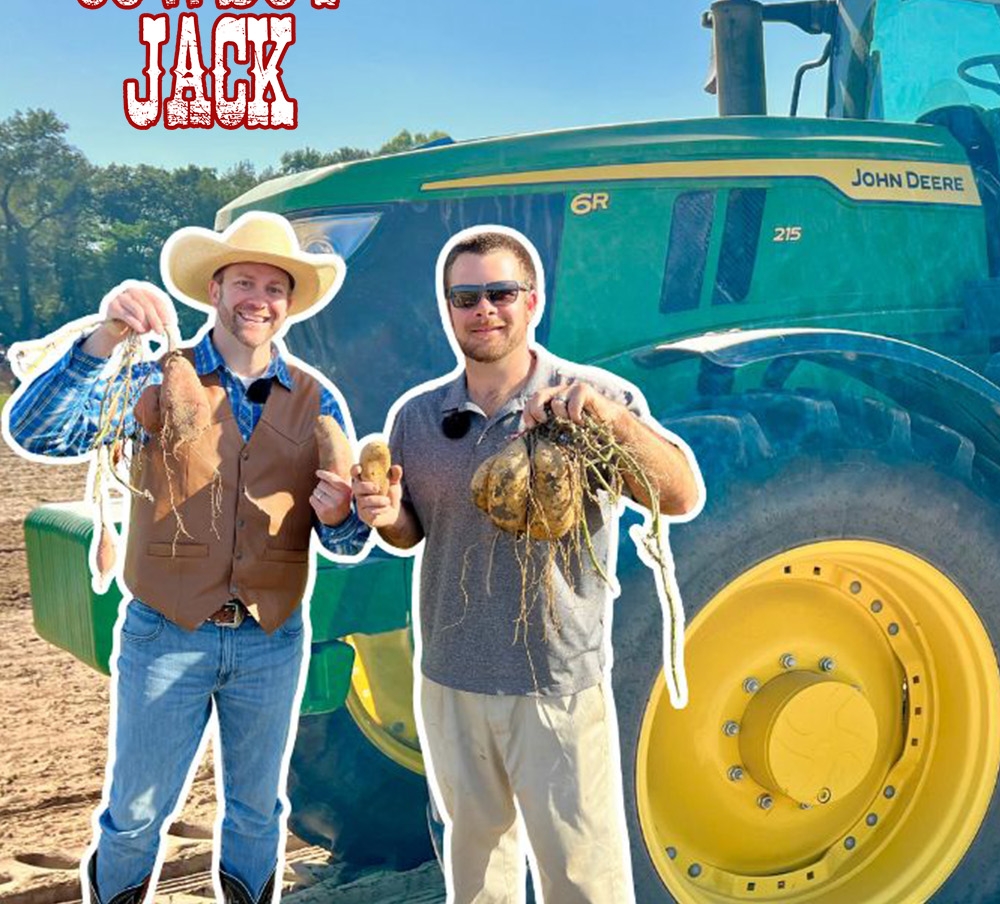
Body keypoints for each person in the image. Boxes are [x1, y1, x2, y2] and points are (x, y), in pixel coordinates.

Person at [4, 212, 369, 904]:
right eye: (242, 282)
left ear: (288, 303)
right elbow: (38, 430)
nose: (257, 298)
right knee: (137, 815)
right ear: (215, 291)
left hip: (270, 639)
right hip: (166, 634)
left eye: (273, 286)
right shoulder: (149, 378)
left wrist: (341, 517)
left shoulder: (321, 402)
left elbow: (346, 544)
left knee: (259, 813)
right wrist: (105, 333)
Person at [352, 227, 702, 904]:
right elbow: (412, 535)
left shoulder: (591, 397)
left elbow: (681, 494)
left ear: (532, 301)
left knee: (581, 877)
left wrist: (617, 426)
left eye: (500, 292)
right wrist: (383, 513)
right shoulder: (419, 418)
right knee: (478, 872)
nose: (483, 309)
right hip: (450, 682)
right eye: (464, 297)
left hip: (556, 684)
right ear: (448, 310)